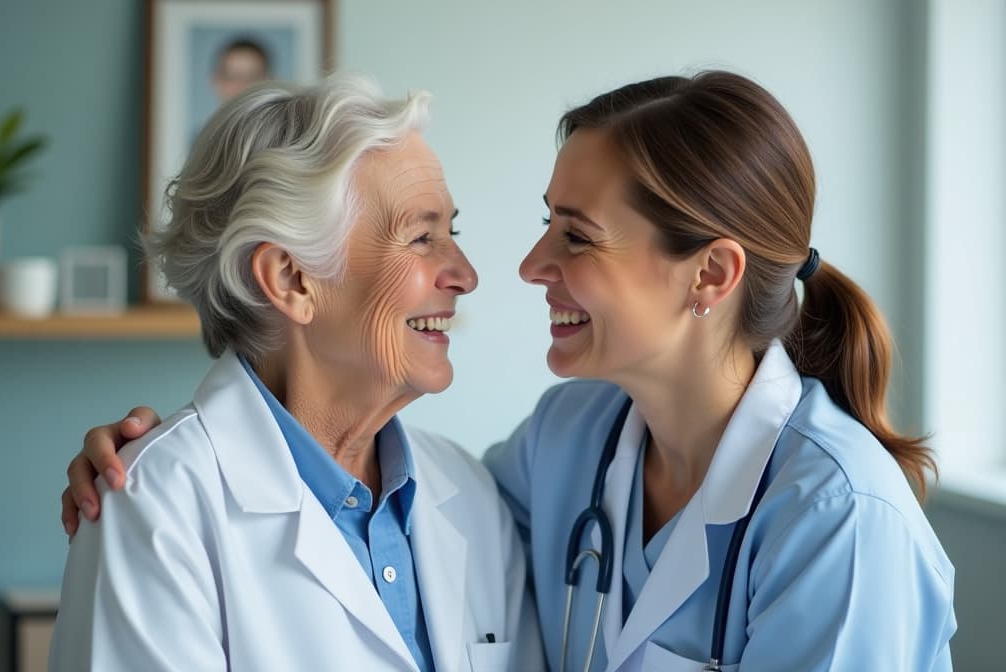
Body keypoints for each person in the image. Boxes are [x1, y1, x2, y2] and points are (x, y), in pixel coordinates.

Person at [62, 71, 956, 671]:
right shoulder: (557, 453)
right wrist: (156, 463)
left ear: (710, 276)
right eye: (423, 235)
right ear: (291, 278)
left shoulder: (840, 519)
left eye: (577, 234)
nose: (501, 270)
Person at [50, 74, 542, 672]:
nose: (464, 274)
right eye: (420, 238)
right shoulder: (153, 509)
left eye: (452, 232)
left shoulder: (470, 494)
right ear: (291, 279)